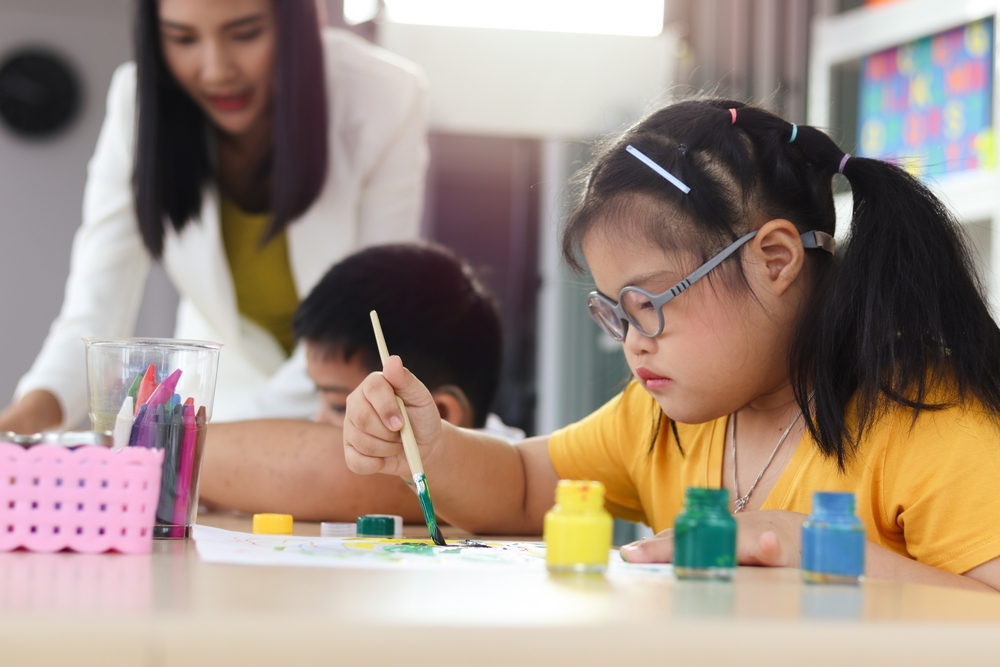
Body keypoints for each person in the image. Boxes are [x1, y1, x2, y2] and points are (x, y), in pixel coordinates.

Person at [343, 99, 1000, 592]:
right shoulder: (661, 414)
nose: (632, 343)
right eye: (615, 314)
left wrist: (811, 547)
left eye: (649, 305)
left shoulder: (927, 418)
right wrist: (429, 447)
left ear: (774, 260)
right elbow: (520, 486)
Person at [0, 0, 428, 433]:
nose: (216, 69)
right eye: (183, 38)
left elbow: (367, 315)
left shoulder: (385, 96)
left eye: (245, 34)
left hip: (341, 406)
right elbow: (94, 313)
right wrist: (20, 428)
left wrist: (200, 439)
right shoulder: (137, 104)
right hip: (220, 399)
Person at [198, 243, 522, 520]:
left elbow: (325, 470)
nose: (315, 424)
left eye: (339, 406)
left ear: (439, 413)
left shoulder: (502, 474)